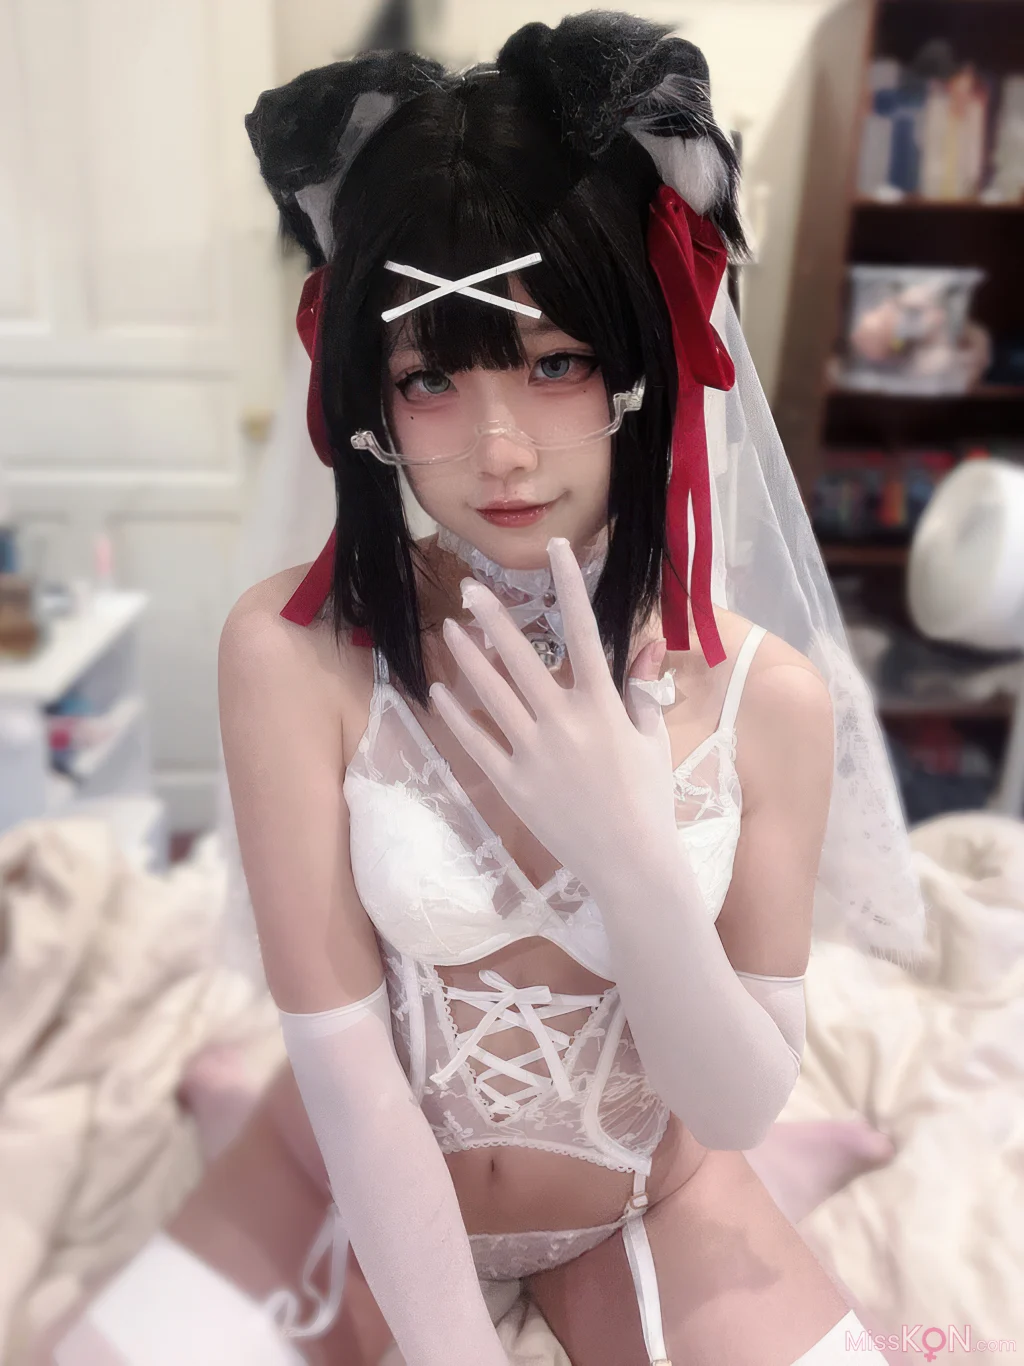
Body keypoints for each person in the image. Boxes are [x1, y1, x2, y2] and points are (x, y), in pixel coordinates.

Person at [211, 14, 924, 1366]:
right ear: (370, 397)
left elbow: (734, 1103)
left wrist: (635, 859)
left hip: (647, 1191)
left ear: (644, 367)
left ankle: (810, 1167)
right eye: (432, 376)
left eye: (556, 363)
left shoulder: (768, 697)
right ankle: (217, 1106)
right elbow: (351, 1069)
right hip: (376, 1189)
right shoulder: (290, 652)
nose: (499, 447)